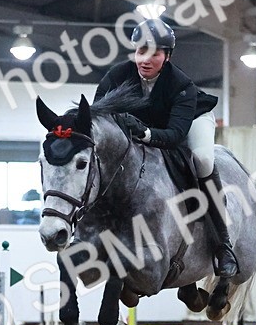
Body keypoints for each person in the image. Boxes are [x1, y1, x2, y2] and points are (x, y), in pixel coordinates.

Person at [93, 19, 235, 277]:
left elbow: (174, 135)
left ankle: (223, 244)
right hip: (149, 126)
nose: (145, 60)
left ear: (167, 56)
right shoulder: (117, 76)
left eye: (154, 54)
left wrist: (145, 133)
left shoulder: (181, 86)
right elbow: (98, 117)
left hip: (190, 120)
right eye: (140, 52)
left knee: (202, 159)